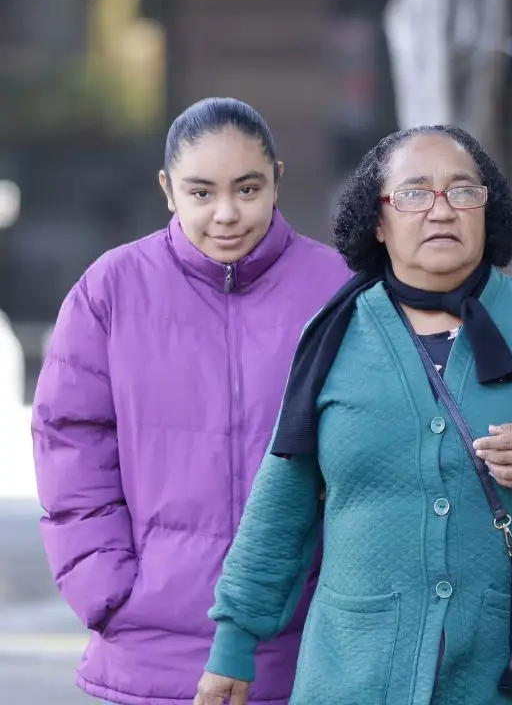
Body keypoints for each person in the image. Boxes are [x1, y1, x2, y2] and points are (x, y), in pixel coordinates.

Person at [192, 124, 512, 705]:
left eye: (462, 191)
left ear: (487, 210)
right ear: (378, 221)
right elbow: (283, 503)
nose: (441, 209)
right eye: (414, 193)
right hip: (353, 676)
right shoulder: (333, 336)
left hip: (510, 676)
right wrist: (233, 643)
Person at [31, 97, 352, 705]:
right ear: (167, 189)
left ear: (277, 180)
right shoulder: (111, 289)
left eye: (248, 189)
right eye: (201, 193)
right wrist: (107, 589)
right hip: (148, 645)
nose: (226, 214)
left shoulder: (338, 288)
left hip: (304, 646)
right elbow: (70, 441)